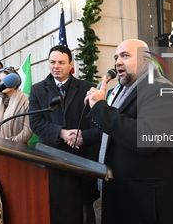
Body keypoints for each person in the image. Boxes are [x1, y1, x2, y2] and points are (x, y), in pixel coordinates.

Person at [77, 39, 173, 223]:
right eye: (116, 57)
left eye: (125, 56)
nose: (118, 62)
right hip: (123, 194)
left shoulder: (162, 91)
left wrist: (100, 106)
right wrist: (82, 135)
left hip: (147, 204)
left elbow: (144, 138)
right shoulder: (124, 91)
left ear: (146, 60)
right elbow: (116, 131)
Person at [29, 45, 99, 224]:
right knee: (54, 211)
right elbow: (35, 122)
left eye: (61, 62)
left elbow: (97, 125)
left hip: (81, 161)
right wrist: (62, 133)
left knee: (85, 215)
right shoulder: (37, 90)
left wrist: (82, 137)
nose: (56, 66)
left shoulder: (88, 88)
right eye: (52, 62)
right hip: (51, 161)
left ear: (70, 65)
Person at [0, 67, 32, 143]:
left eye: (6, 80)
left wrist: (8, 144)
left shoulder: (26, 101)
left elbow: (27, 132)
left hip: (16, 151)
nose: (2, 83)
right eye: (0, 81)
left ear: (14, 81)